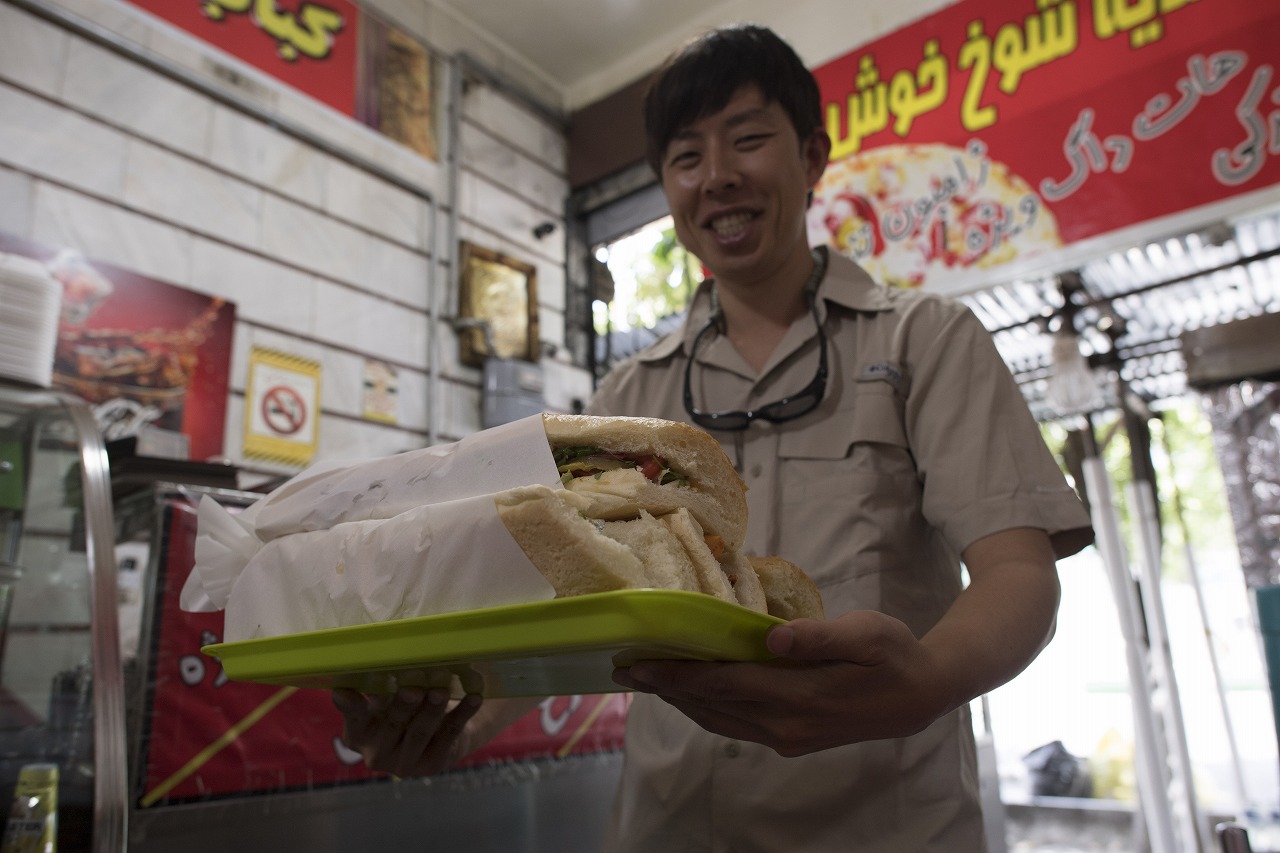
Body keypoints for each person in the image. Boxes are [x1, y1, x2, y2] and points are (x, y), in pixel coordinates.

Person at [334, 23, 1094, 852]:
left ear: (811, 156)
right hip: (669, 828)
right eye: (686, 157)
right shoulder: (628, 396)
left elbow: (1019, 570)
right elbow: (570, 603)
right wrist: (467, 717)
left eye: (749, 139)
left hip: (884, 827)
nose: (718, 177)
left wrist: (929, 683)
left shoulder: (925, 341)